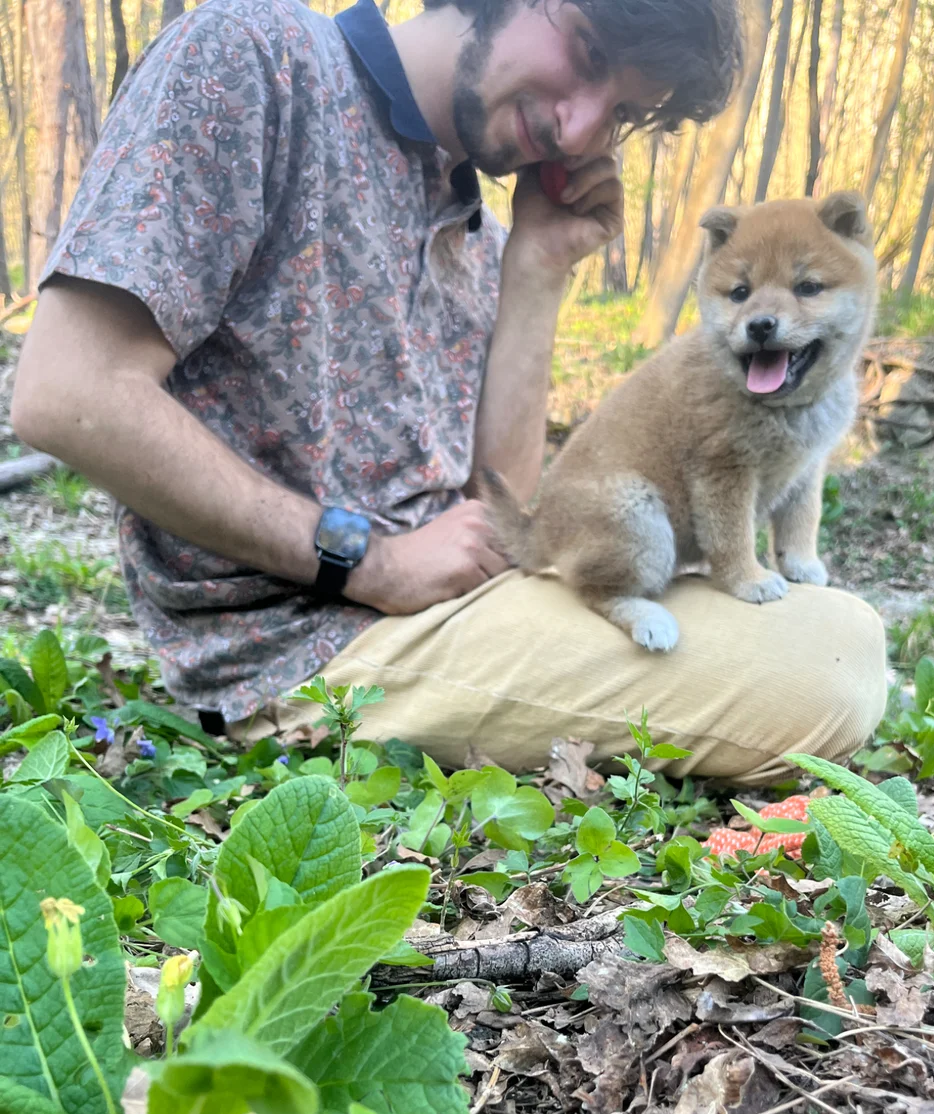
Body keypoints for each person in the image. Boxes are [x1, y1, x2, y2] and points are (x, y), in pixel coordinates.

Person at [12, 0, 886, 782]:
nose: (581, 128)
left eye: (619, 111)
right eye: (585, 52)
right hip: (303, 647)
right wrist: (370, 561)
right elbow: (68, 392)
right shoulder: (254, 56)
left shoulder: (480, 226)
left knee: (835, 628)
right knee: (827, 668)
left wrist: (538, 269)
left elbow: (497, 509)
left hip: (458, 607)